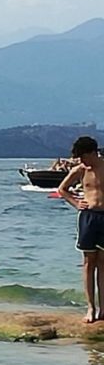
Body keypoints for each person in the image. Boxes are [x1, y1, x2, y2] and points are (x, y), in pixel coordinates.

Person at [57, 135, 104, 322]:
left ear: (93, 153)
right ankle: (90, 308)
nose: (82, 161)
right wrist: (76, 203)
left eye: (84, 157)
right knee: (88, 262)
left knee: (103, 263)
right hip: (89, 217)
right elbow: (62, 189)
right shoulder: (80, 170)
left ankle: (103, 308)